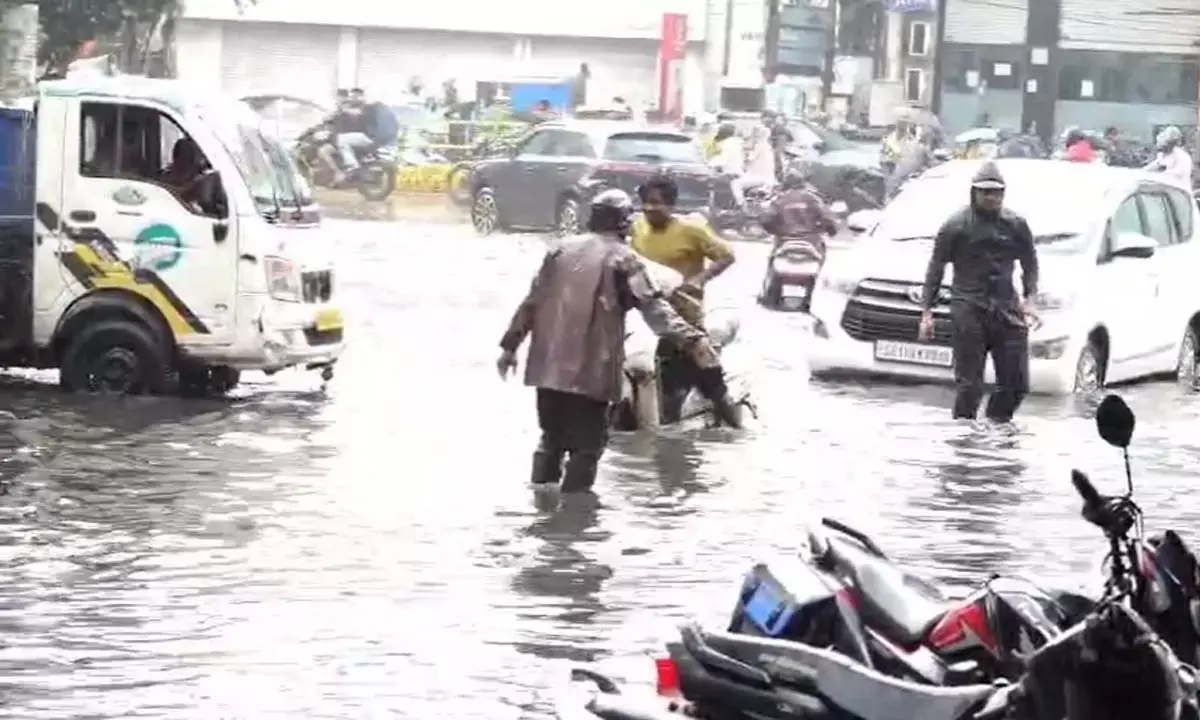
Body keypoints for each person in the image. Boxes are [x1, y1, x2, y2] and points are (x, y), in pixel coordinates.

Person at [497, 189, 739, 492]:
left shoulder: (558, 251)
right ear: (624, 223)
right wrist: (693, 340)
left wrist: (509, 346)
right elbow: (656, 311)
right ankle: (574, 521)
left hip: (547, 365)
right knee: (587, 446)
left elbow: (531, 302)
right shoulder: (624, 259)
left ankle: (543, 508)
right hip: (591, 369)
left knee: (550, 439)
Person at [918, 161, 1039, 425]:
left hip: (1007, 307)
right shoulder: (955, 226)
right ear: (974, 193)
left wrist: (1030, 300)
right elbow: (935, 269)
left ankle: (996, 426)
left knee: (1017, 384)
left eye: (997, 193)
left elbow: (1030, 263)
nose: (992, 198)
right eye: (985, 192)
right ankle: (964, 441)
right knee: (970, 386)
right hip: (968, 307)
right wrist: (927, 312)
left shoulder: (1016, 224)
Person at [630, 175, 737, 422]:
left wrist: (699, 279)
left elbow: (727, 256)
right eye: (645, 202)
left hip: (685, 318)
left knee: (707, 386)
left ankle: (734, 426)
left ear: (671, 205)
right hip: (651, 319)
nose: (649, 208)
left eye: (656, 203)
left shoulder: (691, 230)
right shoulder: (638, 229)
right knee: (662, 387)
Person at [762, 165, 838, 254]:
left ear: (785, 184)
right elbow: (827, 218)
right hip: (810, 239)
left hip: (785, 238)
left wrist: (774, 231)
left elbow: (766, 219)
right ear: (802, 183)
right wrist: (831, 231)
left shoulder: (779, 200)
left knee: (773, 257)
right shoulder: (812, 199)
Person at [886, 126, 935, 198]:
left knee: (892, 182)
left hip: (903, 171)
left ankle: (888, 198)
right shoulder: (922, 147)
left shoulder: (904, 144)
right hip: (912, 172)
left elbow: (893, 155)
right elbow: (930, 161)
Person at [709, 123, 748, 208]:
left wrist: (709, 164)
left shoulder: (726, 143)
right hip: (739, 173)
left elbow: (722, 160)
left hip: (730, 173)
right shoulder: (737, 143)